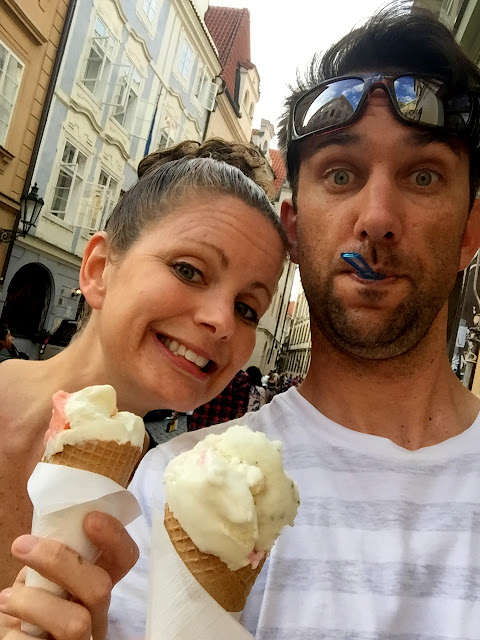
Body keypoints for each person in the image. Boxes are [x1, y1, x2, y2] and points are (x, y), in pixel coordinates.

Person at [98, 5, 480, 639]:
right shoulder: (178, 489)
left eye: (422, 176)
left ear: (470, 230)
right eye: (340, 174)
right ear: (294, 229)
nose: (377, 218)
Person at [0, 140, 286, 639]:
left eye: (247, 309)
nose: (222, 321)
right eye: (189, 270)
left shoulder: (181, 514)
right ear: (98, 270)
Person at [186, 369, 250, 431]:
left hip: (199, 425)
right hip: (222, 430)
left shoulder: (205, 370)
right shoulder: (240, 376)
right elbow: (240, 411)